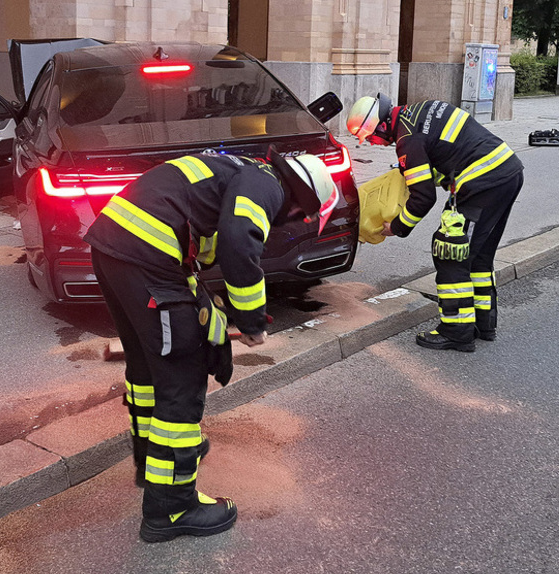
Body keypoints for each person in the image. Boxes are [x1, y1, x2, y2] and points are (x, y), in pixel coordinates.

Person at [84, 150, 338, 543]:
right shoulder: (267, 185)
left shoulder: (238, 169)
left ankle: (153, 467)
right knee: (182, 380)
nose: (291, 222)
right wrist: (252, 321)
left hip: (113, 247)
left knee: (147, 370)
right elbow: (240, 241)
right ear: (301, 199)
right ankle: (172, 508)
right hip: (148, 254)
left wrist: (208, 305)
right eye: (302, 216)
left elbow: (202, 241)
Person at [346, 94, 523, 352]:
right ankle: (484, 323)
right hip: (506, 172)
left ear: (382, 125)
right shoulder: (420, 111)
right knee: (479, 256)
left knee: (450, 252)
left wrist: (396, 227)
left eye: (372, 137)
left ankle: (456, 331)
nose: (375, 143)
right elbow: (447, 153)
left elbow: (423, 197)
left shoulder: (408, 139)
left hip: (483, 183)